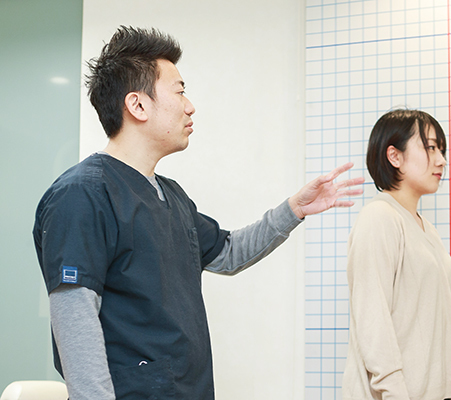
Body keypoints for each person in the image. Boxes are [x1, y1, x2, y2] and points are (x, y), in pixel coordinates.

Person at [33, 26, 364, 399]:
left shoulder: (170, 195)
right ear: (137, 105)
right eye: (179, 91)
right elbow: (74, 317)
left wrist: (293, 209)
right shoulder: (82, 194)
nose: (189, 106)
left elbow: (228, 252)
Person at [342, 109, 451, 400]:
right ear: (394, 156)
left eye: (442, 150)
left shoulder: (427, 230)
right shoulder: (379, 217)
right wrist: (395, 393)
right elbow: (372, 318)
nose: (441, 160)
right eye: (430, 147)